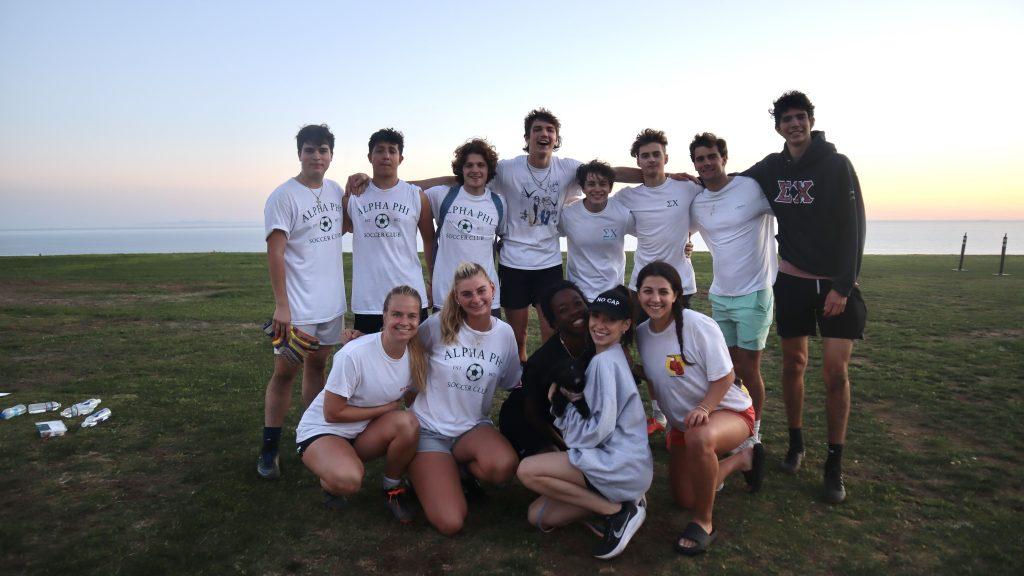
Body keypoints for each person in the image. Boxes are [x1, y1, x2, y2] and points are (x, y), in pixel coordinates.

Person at [743, 91, 867, 504]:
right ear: (777, 126)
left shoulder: (836, 165)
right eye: (786, 119)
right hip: (792, 281)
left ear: (811, 121)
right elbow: (729, 182)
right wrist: (689, 181)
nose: (793, 124)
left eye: (800, 117)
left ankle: (835, 462)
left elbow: (855, 227)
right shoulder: (773, 168)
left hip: (835, 283)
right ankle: (796, 444)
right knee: (794, 363)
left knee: (835, 372)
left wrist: (843, 286)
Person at [634, 261, 763, 556]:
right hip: (683, 424)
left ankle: (704, 522)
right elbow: (657, 373)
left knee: (699, 438)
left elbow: (726, 376)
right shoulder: (641, 333)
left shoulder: (697, 325)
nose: (655, 299)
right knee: (685, 497)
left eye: (663, 292)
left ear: (676, 294)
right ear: (638, 294)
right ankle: (743, 460)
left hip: (729, 412)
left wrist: (705, 407)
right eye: (647, 291)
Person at [517, 286, 653, 560]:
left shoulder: (605, 363)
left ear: (626, 325)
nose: (600, 325)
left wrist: (564, 413)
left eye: (610, 320)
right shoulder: (605, 356)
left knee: (527, 471)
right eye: (597, 317)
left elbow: (597, 432)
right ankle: (622, 501)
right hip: (621, 463)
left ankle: (617, 512)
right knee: (538, 515)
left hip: (618, 463)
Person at [258, 124, 347, 480]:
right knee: (284, 373)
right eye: (310, 150)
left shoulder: (336, 190)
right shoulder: (283, 196)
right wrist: (282, 305)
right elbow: (275, 252)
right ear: (299, 153)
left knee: (317, 369)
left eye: (323, 150)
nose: (316, 156)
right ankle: (269, 447)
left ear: (330, 156)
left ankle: (314, 437)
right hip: (297, 309)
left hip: (331, 305)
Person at [407, 262, 522, 536]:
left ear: (492, 289)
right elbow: (406, 355)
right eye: (467, 294)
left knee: (502, 467)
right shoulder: (436, 326)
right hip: (429, 430)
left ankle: (454, 469)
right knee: (451, 522)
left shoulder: (504, 334)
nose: (476, 299)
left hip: (472, 429)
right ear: (457, 297)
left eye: (481, 290)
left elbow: (512, 381)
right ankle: (420, 470)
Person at [294, 286, 426, 522]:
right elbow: (332, 413)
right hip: (325, 430)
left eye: (411, 316)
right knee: (348, 481)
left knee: (408, 424)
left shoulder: (415, 356)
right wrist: (385, 409)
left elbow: (411, 401)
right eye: (396, 314)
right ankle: (330, 477)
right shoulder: (353, 354)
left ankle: (391, 488)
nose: (403, 321)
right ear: (384, 316)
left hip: (364, 430)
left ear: (419, 320)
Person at [689, 132, 777, 449]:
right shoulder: (698, 202)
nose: (707, 163)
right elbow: (684, 229)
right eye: (700, 159)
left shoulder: (750, 188)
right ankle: (735, 421)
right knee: (726, 368)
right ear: (695, 165)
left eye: (712, 156)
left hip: (754, 292)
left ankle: (754, 431)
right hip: (719, 294)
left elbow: (791, 215)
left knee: (748, 367)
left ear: (724, 158)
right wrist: (685, 244)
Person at [614, 128, 701, 434]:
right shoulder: (627, 196)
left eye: (656, 154)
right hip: (641, 287)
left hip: (679, 288)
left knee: (679, 354)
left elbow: (706, 210)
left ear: (666, 157)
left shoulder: (686, 188)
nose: (651, 160)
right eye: (645, 155)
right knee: (648, 351)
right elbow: (601, 175)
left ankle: (682, 413)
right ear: (637, 161)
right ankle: (658, 414)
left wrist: (689, 237)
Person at [344, 128, 435, 334]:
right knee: (371, 363)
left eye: (392, 151)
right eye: (380, 150)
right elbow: (337, 230)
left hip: (410, 296)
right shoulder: (354, 197)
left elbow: (429, 241)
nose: (386, 156)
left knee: (414, 361)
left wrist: (433, 282)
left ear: (400, 158)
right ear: (370, 157)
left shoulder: (415, 196)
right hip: (369, 299)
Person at [498, 280, 590, 458]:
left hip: (563, 415)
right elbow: (533, 415)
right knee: (557, 461)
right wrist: (566, 448)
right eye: (563, 310)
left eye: (578, 303)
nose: (575, 311)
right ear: (554, 323)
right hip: (529, 420)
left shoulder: (598, 340)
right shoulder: (542, 362)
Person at [424, 139, 506, 315]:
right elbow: (404, 191)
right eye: (469, 165)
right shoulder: (442, 195)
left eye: (480, 165)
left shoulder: (499, 203)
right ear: (461, 169)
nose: (475, 170)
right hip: (446, 294)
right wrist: (370, 181)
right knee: (447, 343)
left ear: (488, 170)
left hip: (486, 297)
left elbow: (504, 239)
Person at [558, 160, 635, 301]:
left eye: (603, 184)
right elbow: (544, 233)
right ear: (583, 188)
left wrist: (686, 242)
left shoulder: (622, 214)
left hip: (613, 294)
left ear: (610, 187)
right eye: (591, 184)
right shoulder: (568, 215)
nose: (597, 189)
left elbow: (649, 234)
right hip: (579, 295)